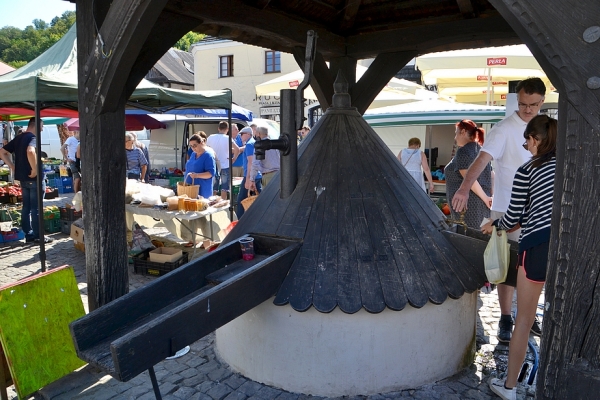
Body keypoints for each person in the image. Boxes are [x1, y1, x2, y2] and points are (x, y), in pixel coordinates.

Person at [451, 77, 547, 342]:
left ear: (542, 101)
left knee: (534, 266)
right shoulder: (504, 129)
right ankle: (506, 317)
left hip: (538, 211)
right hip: (506, 209)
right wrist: (463, 188)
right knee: (507, 266)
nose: (528, 110)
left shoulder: (548, 128)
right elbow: (483, 159)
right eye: (525, 104)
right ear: (518, 100)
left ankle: (528, 314)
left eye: (534, 104)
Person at [484, 115, 557, 400]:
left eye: (527, 141)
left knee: (524, 320)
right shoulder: (568, 166)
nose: (526, 147)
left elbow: (512, 216)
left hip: (537, 247)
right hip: (568, 250)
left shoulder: (528, 169)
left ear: (537, 139)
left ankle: (510, 388)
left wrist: (495, 225)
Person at [0, 117, 53, 244]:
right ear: (36, 125)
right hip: (34, 178)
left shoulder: (19, 138)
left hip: (22, 178)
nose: (42, 129)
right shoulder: (33, 138)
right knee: (36, 208)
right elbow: (30, 151)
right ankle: (38, 236)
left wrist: (12, 166)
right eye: (42, 126)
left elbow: (2, 152)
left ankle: (28, 235)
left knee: (26, 208)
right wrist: (34, 169)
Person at [445, 120, 492, 228]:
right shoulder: (481, 150)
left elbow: (469, 178)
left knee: (468, 237)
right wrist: (489, 198)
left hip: (468, 207)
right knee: (481, 235)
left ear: (463, 132)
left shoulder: (464, 151)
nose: (455, 137)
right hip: (482, 205)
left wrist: (485, 198)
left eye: (456, 133)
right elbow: (491, 175)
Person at [182, 131, 216, 247]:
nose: (193, 148)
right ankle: (193, 239)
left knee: (202, 216)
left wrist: (196, 175)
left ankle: (207, 241)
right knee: (191, 214)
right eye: (191, 146)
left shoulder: (208, 155)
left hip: (203, 189)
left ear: (202, 142)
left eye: (195, 145)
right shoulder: (193, 154)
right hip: (191, 189)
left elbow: (211, 173)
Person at [206, 121, 240, 194]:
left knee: (214, 187)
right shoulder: (228, 138)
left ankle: (213, 202)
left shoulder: (211, 137)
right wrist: (234, 158)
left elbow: (205, 149)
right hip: (225, 165)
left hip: (214, 164)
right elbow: (237, 149)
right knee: (224, 188)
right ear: (227, 129)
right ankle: (223, 203)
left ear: (218, 128)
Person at [236, 127, 261, 219]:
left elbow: (251, 162)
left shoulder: (250, 144)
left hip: (251, 176)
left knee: (241, 200)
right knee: (259, 198)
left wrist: (248, 179)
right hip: (256, 175)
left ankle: (239, 223)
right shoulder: (253, 143)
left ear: (247, 134)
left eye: (241, 134)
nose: (240, 136)